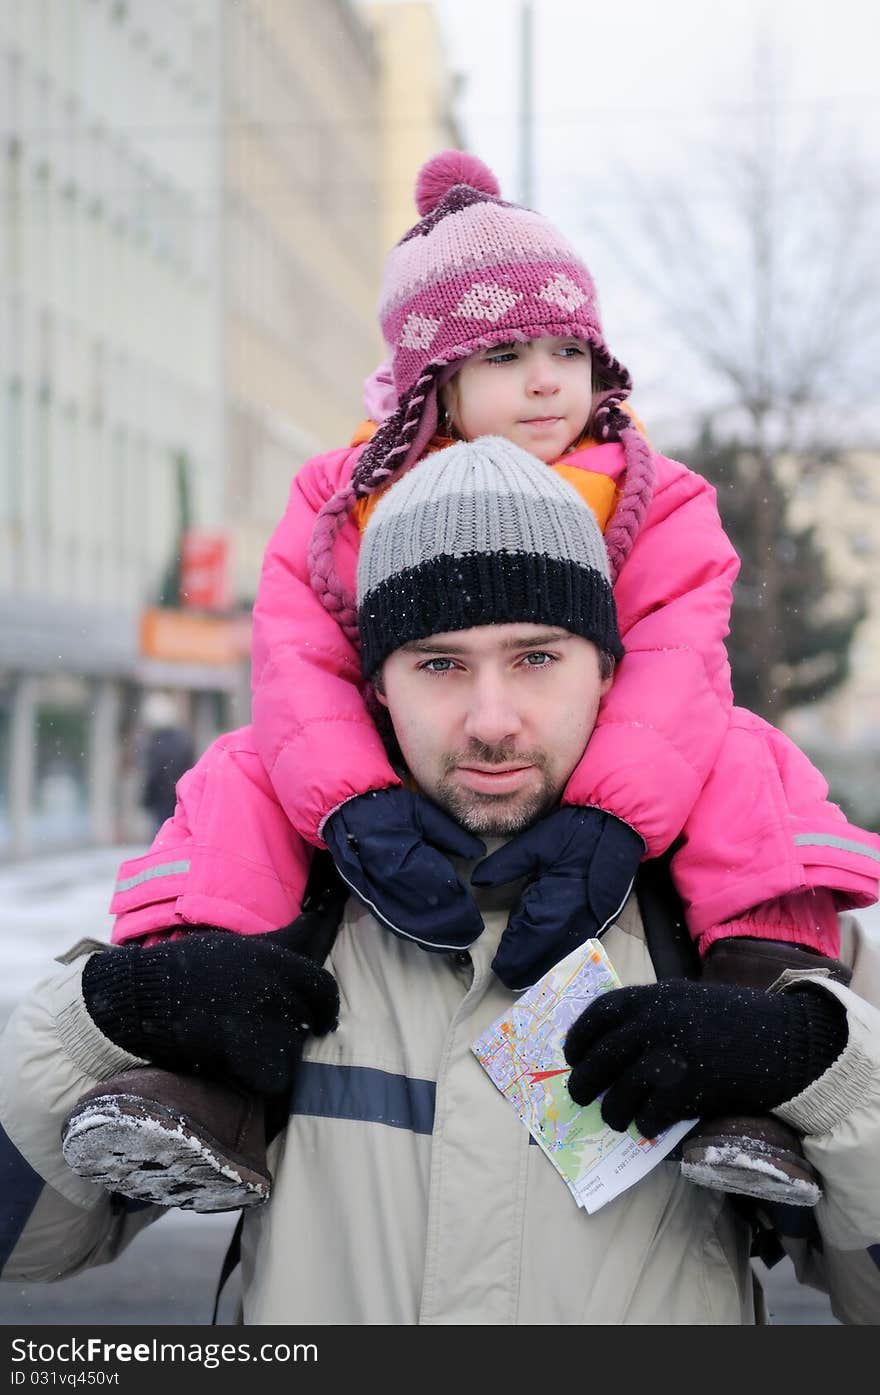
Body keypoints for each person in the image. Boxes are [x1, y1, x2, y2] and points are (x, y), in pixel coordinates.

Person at [66, 149, 880, 1205]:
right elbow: (300, 663)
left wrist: (609, 818)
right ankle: (198, 1061)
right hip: (383, 781)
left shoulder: (651, 493)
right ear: (431, 381)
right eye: (503, 354)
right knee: (241, 777)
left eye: (567, 349)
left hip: (636, 774)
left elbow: (678, 665)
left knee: (742, 760)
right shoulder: (347, 495)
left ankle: (757, 1015)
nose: (547, 380)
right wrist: (352, 801)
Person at [3, 438, 880, 1325]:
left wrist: (818, 1072)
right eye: (439, 664)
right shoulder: (265, 899)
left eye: (536, 657)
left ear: (607, 667)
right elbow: (24, 1243)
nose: (491, 719)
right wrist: (103, 1021)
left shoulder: (750, 920)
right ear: (379, 683)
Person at [140, 692, 195, 834]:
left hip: (162, 798)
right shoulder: (183, 740)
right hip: (179, 798)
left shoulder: (156, 743)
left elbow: (154, 774)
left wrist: (147, 798)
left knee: (162, 836)